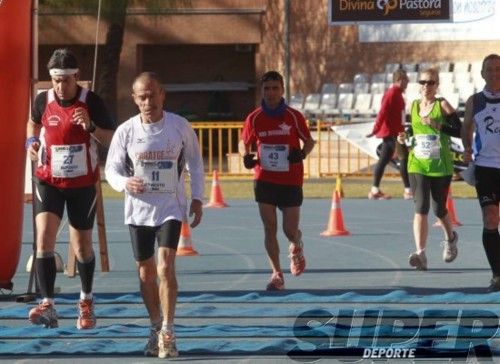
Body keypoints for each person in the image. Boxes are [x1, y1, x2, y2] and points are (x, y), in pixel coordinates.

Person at [105, 72, 204, 358]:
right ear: (134, 99)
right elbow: (111, 169)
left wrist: (197, 198)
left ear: (163, 94)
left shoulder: (179, 126)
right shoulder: (126, 131)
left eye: (152, 95)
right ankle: (155, 325)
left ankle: (169, 331)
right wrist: (126, 182)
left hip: (169, 208)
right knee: (146, 273)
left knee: (165, 267)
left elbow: (195, 164)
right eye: (142, 97)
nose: (148, 101)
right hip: (138, 211)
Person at [25, 48, 115, 329]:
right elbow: (33, 123)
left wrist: (89, 127)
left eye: (65, 80)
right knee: (43, 240)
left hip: (81, 184)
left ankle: (86, 301)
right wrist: (31, 143)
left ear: (76, 77)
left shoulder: (92, 101)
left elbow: (111, 137)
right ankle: (48, 304)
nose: (60, 86)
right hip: (48, 180)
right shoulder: (43, 100)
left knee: (82, 246)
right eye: (55, 80)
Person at [239, 71, 315, 290]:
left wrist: (301, 154)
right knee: (269, 227)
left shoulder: (293, 116)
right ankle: (276, 274)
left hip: (290, 180)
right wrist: (245, 156)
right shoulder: (254, 118)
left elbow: (309, 141)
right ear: (261, 91)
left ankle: (296, 244)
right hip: (265, 179)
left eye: (275, 88)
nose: (270, 93)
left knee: (289, 230)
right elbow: (244, 142)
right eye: (266, 89)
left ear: (282, 90)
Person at [397, 68, 461, 271]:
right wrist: (404, 137)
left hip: (440, 167)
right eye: (423, 82)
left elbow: (460, 130)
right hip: (417, 164)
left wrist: (438, 125)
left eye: (431, 82)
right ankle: (421, 253)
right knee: (421, 207)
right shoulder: (414, 105)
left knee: (438, 209)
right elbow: (412, 129)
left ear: (437, 85)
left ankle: (450, 238)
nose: (426, 86)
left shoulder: (442, 105)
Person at [461, 54, 500, 291]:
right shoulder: (474, 101)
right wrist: (467, 147)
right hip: (486, 168)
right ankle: (497, 275)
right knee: (491, 219)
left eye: (498, 69)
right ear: (482, 74)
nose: (495, 73)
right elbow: (466, 128)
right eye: (490, 70)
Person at [366, 69, 412, 200]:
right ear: (399, 80)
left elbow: (400, 116)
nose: (407, 83)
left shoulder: (398, 94)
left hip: (397, 132)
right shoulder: (391, 94)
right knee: (404, 158)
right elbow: (382, 112)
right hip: (392, 133)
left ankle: (375, 190)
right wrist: (375, 129)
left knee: (384, 160)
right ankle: (408, 190)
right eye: (406, 80)